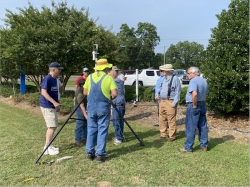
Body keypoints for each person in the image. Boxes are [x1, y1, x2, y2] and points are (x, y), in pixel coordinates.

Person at [83, 59, 117, 163]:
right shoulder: (108, 78)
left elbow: (85, 92)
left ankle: (89, 152)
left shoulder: (89, 77)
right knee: (102, 130)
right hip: (103, 106)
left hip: (91, 107)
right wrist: (109, 98)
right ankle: (100, 154)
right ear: (106, 68)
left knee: (91, 129)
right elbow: (115, 94)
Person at [179, 67, 209, 152]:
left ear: (194, 73)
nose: (187, 75)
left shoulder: (193, 81)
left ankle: (188, 147)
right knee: (202, 126)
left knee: (190, 126)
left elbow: (194, 94)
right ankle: (204, 145)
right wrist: (202, 103)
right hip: (202, 104)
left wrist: (194, 106)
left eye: (188, 73)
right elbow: (206, 95)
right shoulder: (204, 81)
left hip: (194, 105)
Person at [40, 62, 64, 155]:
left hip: (52, 106)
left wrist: (56, 103)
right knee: (52, 126)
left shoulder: (55, 79)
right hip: (47, 106)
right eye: (59, 69)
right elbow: (43, 92)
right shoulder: (48, 78)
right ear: (53, 69)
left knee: (53, 126)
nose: (60, 71)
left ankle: (48, 145)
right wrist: (54, 103)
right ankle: (47, 147)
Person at [155, 64, 181, 141]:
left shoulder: (175, 79)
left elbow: (178, 91)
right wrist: (157, 94)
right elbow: (159, 88)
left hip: (170, 101)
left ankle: (172, 136)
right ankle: (163, 134)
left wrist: (174, 103)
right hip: (162, 101)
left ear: (167, 71)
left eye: (162, 70)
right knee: (162, 118)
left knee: (171, 119)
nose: (161, 72)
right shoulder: (163, 78)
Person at [109, 70, 126, 145]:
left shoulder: (116, 81)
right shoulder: (118, 80)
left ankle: (119, 138)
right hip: (120, 104)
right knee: (120, 121)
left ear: (112, 75)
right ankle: (120, 136)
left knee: (116, 122)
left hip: (118, 105)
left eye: (109, 75)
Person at [74, 79, 88, 147]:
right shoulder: (79, 94)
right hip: (79, 108)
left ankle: (84, 137)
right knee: (80, 123)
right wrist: (86, 116)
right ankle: (78, 139)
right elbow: (81, 106)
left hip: (83, 107)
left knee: (85, 123)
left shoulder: (83, 90)